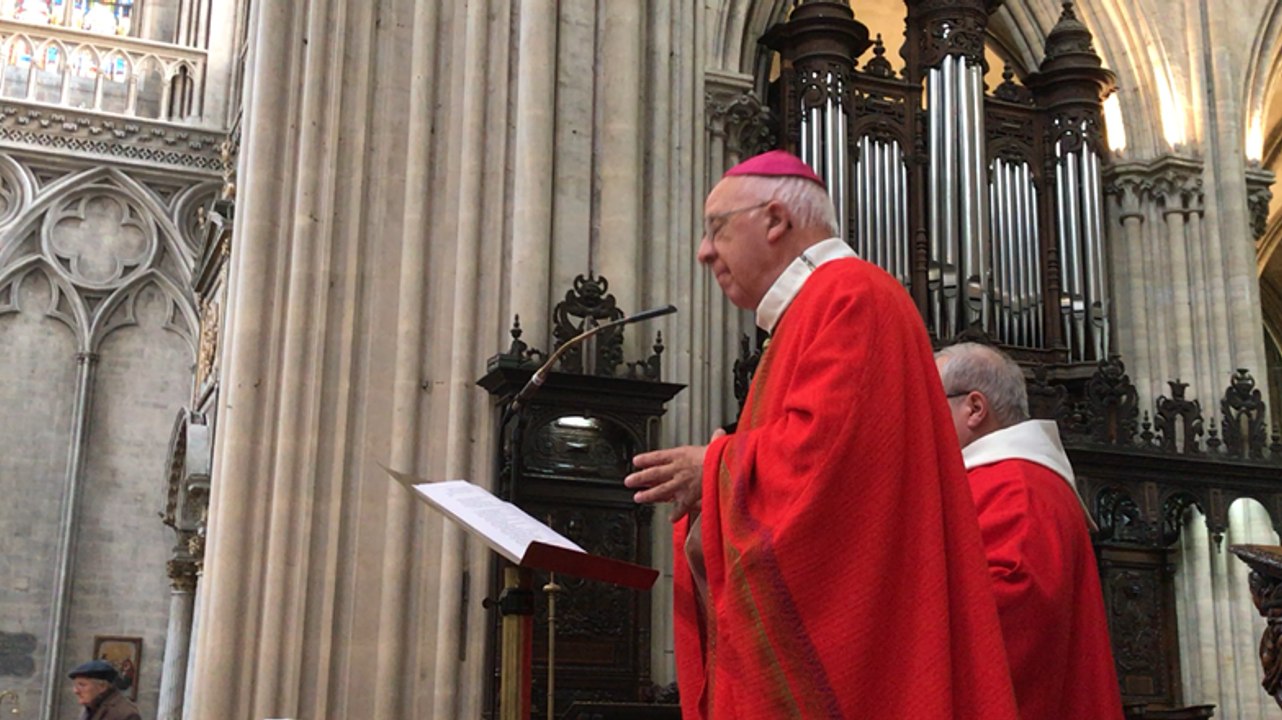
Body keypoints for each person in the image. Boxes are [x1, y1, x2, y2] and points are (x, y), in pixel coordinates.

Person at [625, 150, 1018, 719]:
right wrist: (722, 472)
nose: (704, 251)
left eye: (716, 229)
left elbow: (826, 468)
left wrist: (714, 467)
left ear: (776, 220)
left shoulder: (850, 296)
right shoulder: (814, 308)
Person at [934, 342, 1125, 720]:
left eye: (928, 402)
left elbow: (1006, 614)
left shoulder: (1016, 489)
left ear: (974, 408)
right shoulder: (1006, 481)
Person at [68, 659, 140, 720]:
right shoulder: (90, 708)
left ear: (102, 686)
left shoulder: (125, 713)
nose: (75, 691)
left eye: (82, 685)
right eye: (75, 685)